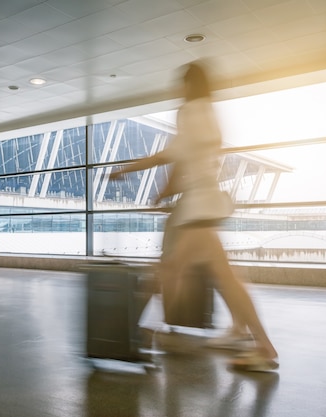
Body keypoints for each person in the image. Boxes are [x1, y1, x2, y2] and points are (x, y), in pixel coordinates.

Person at [110, 62, 278, 371]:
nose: (178, 90)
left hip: (199, 207)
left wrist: (125, 170)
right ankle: (258, 342)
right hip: (205, 204)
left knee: (173, 269)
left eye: (181, 84)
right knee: (212, 275)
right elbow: (185, 158)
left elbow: (171, 157)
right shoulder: (209, 113)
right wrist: (164, 191)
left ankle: (141, 336)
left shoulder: (189, 112)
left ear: (188, 86)